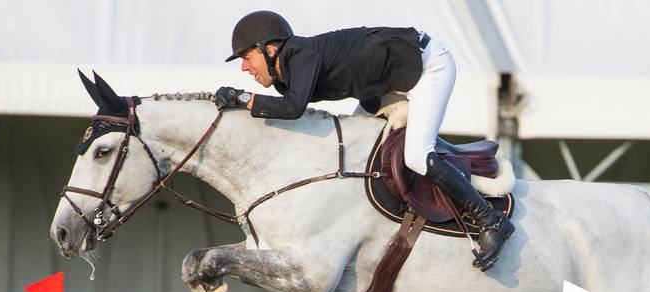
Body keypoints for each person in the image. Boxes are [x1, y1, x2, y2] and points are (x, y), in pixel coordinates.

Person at [214, 10, 513, 272]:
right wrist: (244, 104)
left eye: (246, 57)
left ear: (269, 48)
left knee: (417, 156)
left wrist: (242, 99)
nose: (244, 67)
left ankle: (491, 220)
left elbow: (294, 110)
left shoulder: (299, 54)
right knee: (359, 155)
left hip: (427, 68)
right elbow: (291, 110)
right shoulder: (286, 76)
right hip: (383, 86)